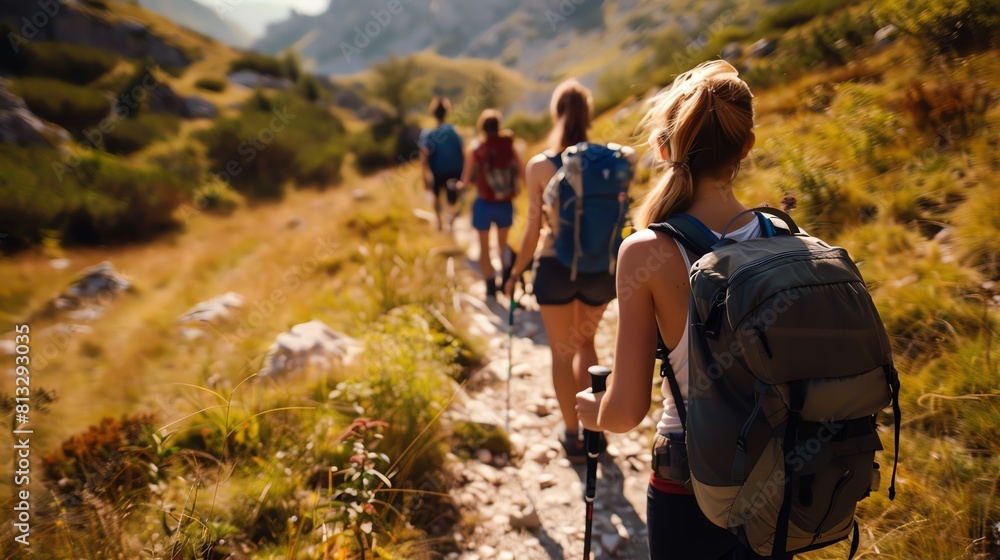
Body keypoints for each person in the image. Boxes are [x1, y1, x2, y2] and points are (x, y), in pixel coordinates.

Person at [575, 60, 773, 559]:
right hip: (783, 475)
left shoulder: (646, 251)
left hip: (692, 485)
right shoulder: (780, 235)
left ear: (665, 148)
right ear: (746, 147)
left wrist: (590, 412)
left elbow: (625, 411)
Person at [504, 79, 633, 462]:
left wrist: (514, 273)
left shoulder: (540, 166)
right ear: (589, 114)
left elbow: (532, 230)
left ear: (556, 113)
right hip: (599, 269)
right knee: (587, 346)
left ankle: (572, 434)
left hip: (555, 267)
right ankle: (596, 431)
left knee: (561, 354)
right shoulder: (613, 161)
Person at [459, 109, 523, 298]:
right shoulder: (509, 146)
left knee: (484, 248)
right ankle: (505, 279)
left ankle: (489, 287)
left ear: (482, 127)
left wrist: (461, 186)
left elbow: (465, 181)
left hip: (483, 204)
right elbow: (521, 171)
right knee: (502, 246)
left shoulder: (476, 149)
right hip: (505, 204)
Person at [419, 97, 465, 231]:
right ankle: (450, 221)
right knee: (452, 198)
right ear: (447, 113)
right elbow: (463, 152)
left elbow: (424, 155)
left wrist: (424, 176)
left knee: (436, 197)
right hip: (455, 170)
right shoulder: (454, 131)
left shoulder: (429, 133)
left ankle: (439, 222)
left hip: (437, 171)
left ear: (433, 113)